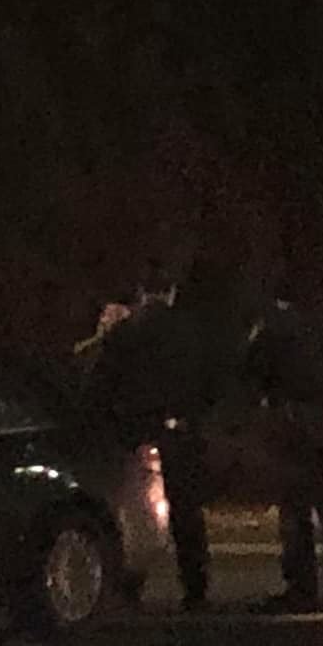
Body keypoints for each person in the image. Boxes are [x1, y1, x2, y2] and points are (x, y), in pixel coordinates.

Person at [91, 258, 236, 611]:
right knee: (186, 511)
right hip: (180, 429)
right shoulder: (190, 331)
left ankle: (130, 585)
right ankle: (195, 588)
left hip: (134, 432)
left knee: (133, 510)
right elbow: (213, 382)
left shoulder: (125, 333)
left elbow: (102, 382)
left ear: (142, 292)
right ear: (171, 292)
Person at [245, 284, 323, 613]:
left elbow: (252, 368)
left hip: (291, 423)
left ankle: (302, 587)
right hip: (322, 422)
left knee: (295, 510)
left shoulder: (274, 327)